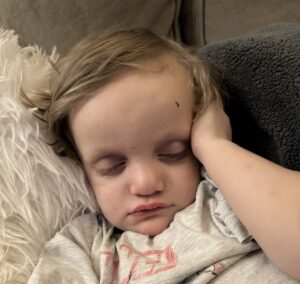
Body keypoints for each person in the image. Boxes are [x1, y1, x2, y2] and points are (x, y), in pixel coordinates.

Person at [22, 29, 300, 283]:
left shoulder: (224, 200)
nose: (145, 183)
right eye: (112, 167)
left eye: (172, 153)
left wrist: (214, 145)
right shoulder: (84, 247)